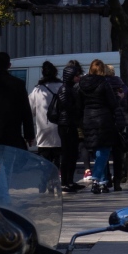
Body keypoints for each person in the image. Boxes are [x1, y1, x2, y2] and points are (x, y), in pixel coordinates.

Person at [77, 59, 120, 195]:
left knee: (96, 150)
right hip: (103, 119)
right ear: (102, 70)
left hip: (88, 119)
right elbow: (112, 103)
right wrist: (119, 98)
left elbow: (79, 104)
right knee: (105, 149)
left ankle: (102, 183)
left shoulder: (82, 84)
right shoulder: (104, 82)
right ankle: (96, 179)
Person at [0, 51, 33, 149]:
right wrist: (29, 135)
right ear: (9, 65)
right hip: (13, 134)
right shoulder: (18, 84)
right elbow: (26, 111)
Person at [56, 61, 84, 192]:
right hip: (66, 124)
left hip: (70, 123)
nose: (78, 78)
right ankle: (65, 182)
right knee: (67, 154)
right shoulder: (64, 89)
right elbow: (67, 106)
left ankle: (70, 181)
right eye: (76, 75)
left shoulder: (71, 89)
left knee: (72, 154)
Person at [28, 61, 63, 166]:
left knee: (45, 163)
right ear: (55, 73)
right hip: (60, 130)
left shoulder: (38, 90)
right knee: (59, 160)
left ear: (43, 73)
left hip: (44, 132)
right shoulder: (62, 87)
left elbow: (31, 110)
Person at [106, 65, 128, 192]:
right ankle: (117, 181)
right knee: (118, 154)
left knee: (105, 152)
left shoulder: (103, 86)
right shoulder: (123, 87)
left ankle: (106, 179)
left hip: (107, 122)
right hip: (121, 122)